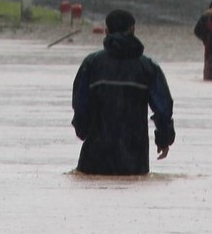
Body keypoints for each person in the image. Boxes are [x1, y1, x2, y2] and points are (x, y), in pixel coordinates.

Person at [72, 9, 175, 175]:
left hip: (95, 156)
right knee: (133, 189)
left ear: (106, 32)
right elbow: (163, 109)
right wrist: (164, 139)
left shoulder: (91, 64)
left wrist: (82, 131)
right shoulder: (148, 67)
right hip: (134, 158)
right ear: (133, 30)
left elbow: (80, 104)